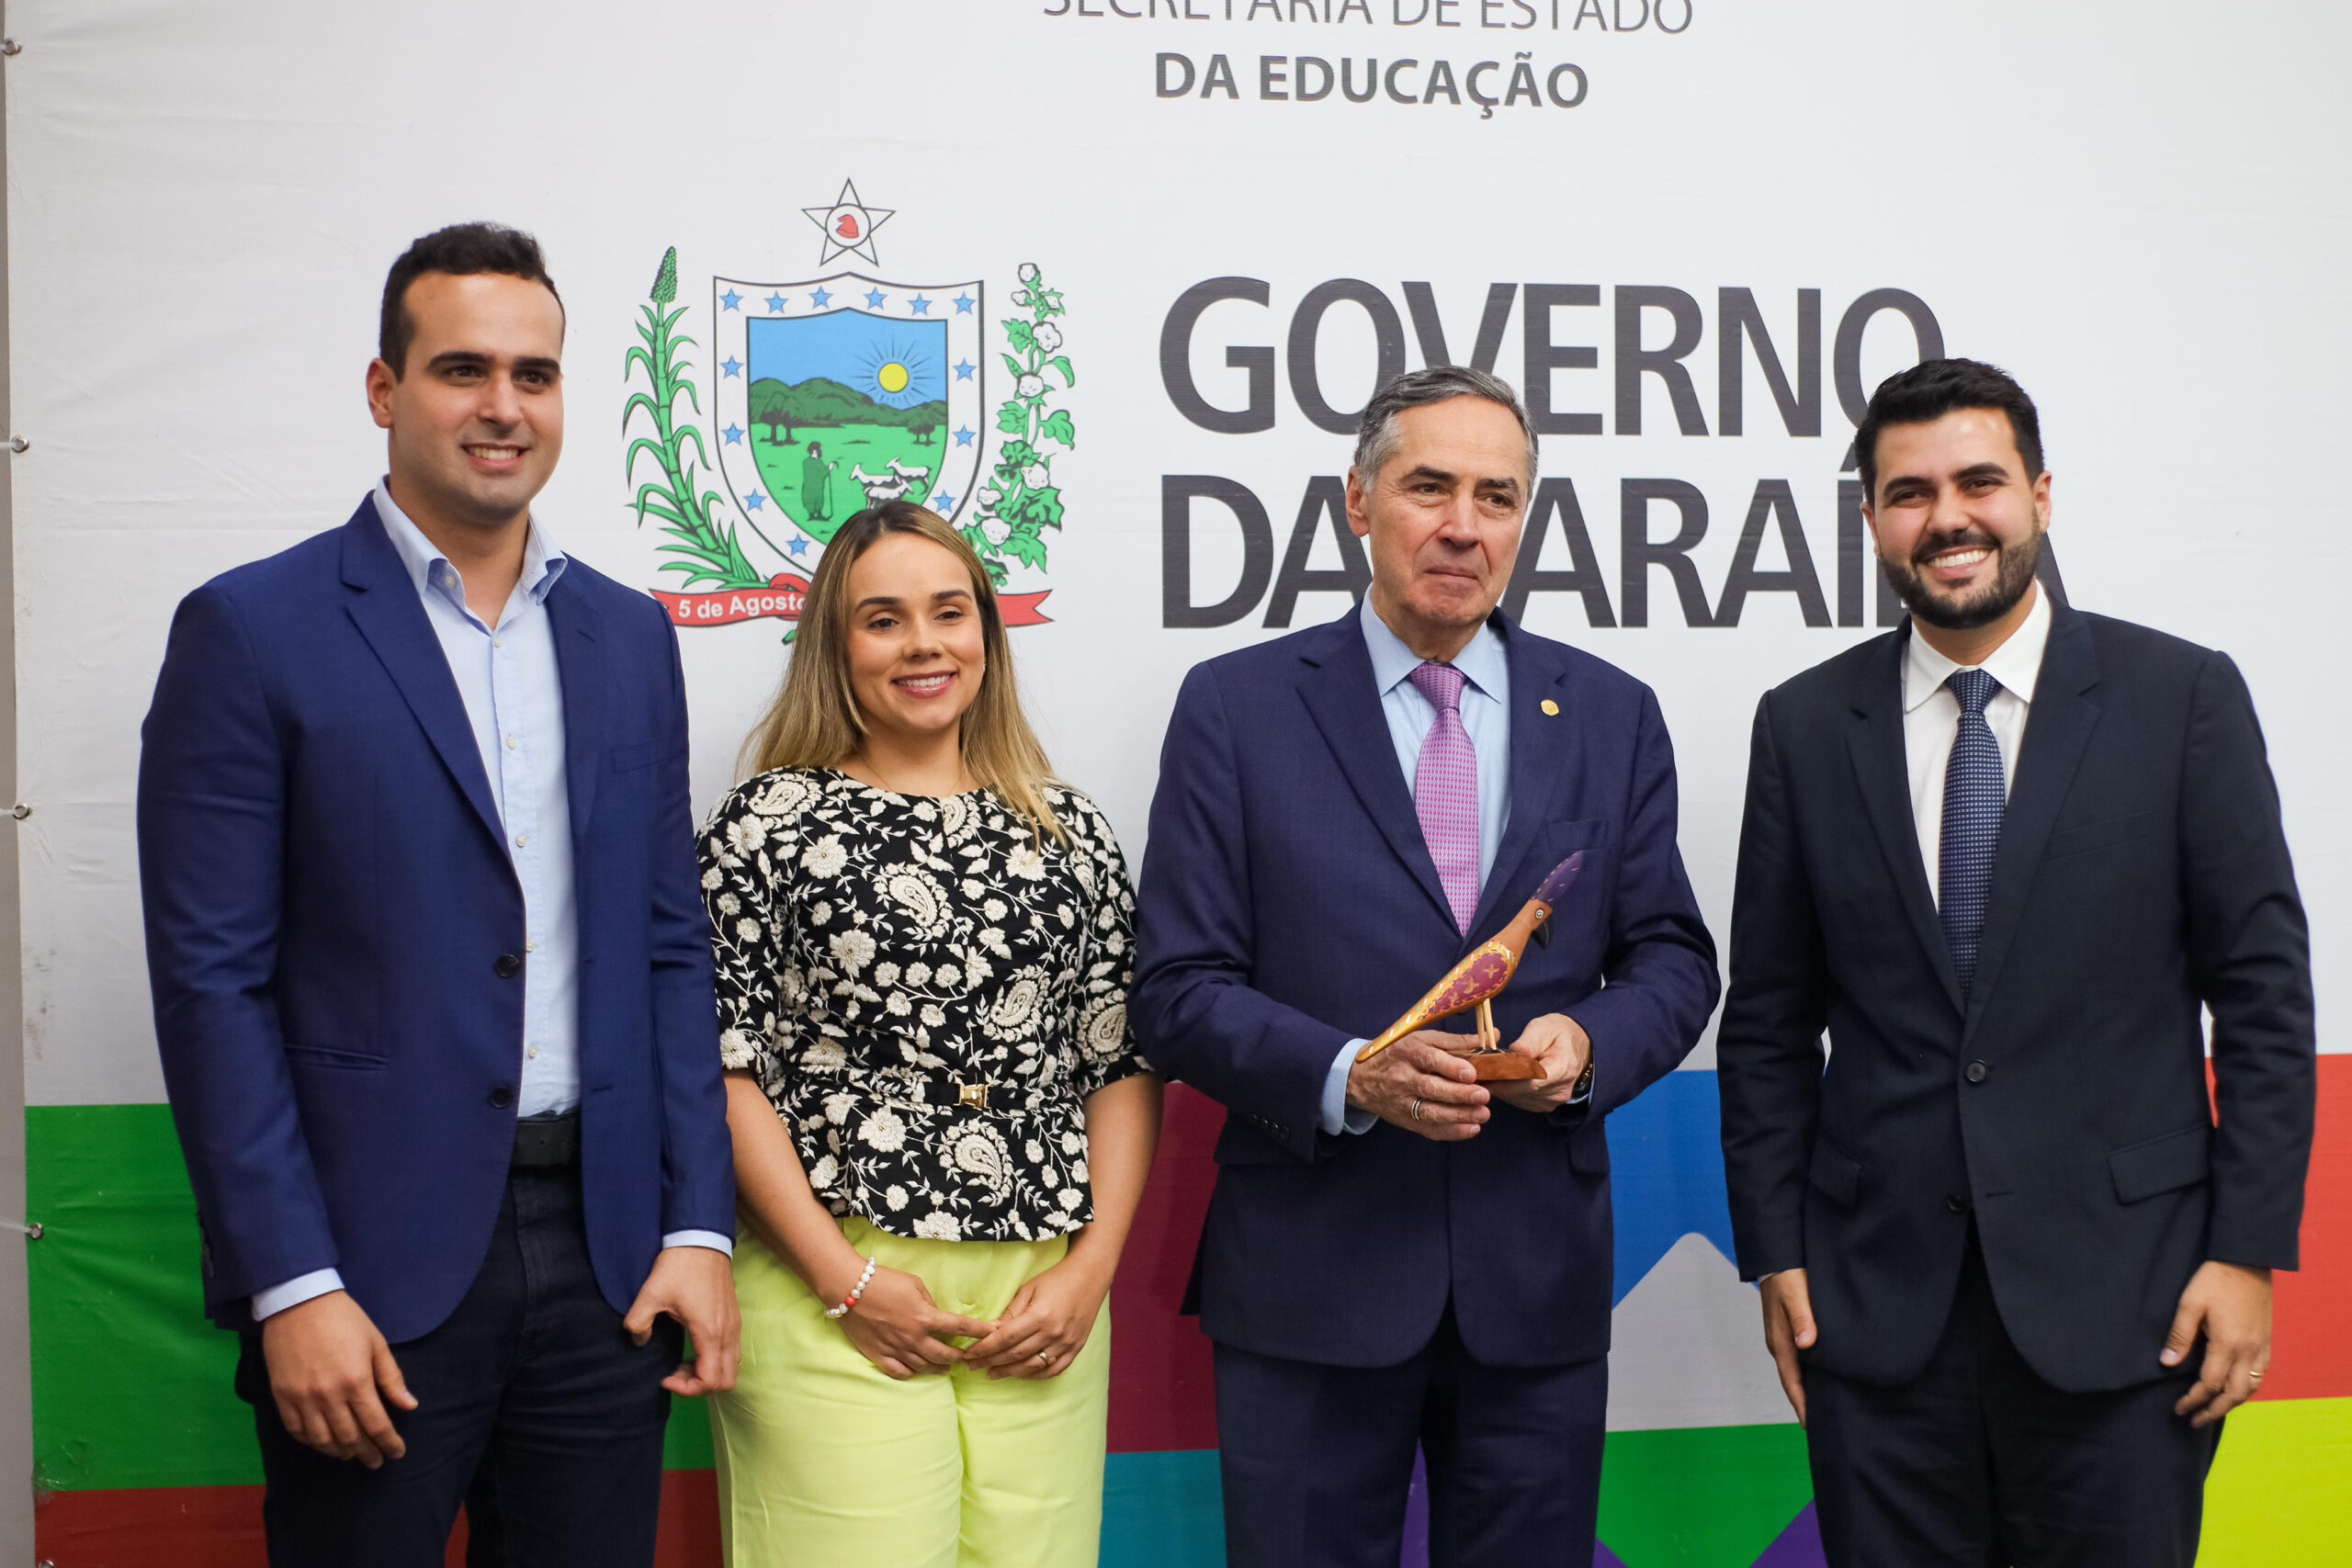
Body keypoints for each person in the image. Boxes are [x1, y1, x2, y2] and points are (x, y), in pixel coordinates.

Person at [137, 222, 741, 1566]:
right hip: (368, 1271)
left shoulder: (631, 636)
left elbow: (665, 947)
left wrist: (697, 1220)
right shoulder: (251, 629)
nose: (503, 406)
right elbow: (211, 985)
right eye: (462, 368)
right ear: (383, 391)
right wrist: (291, 1282)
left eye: (536, 373)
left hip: (606, 1264)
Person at [1716, 358, 2316, 1566]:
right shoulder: (1802, 724)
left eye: (1979, 480)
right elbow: (1770, 1020)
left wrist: (2247, 1248)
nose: (1948, 516)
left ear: (2040, 493)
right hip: (1875, 1318)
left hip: (2132, 1311)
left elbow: (2263, 994)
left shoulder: (2180, 696)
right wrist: (1775, 1250)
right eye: (1908, 491)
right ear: (1874, 518)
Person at [1131, 367, 1720, 1567]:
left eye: (1497, 494)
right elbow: (1176, 984)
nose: (1463, 523)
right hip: (1310, 1276)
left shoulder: (1610, 713)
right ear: (1358, 500)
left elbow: (1671, 951)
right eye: (1429, 485)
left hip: (1534, 1283)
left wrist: (1591, 1044)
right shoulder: (1237, 708)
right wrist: (1352, 1072)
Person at [698, 501, 1163, 1567]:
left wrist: (1088, 1275)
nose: (923, 644)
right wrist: (843, 1281)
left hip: (1039, 1299)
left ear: (987, 635)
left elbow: (1117, 1063)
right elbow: (723, 1070)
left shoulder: (1069, 829)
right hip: (833, 1284)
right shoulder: (765, 827)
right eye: (883, 619)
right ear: (835, 646)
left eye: (949, 613)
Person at [802, 439, 836, 524]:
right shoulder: (817, 462)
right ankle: (817, 515)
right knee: (816, 500)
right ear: (814, 451)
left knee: (812, 500)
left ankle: (813, 515)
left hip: (809, 487)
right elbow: (823, 473)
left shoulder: (806, 462)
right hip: (815, 487)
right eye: (819, 449)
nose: (820, 451)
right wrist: (829, 468)